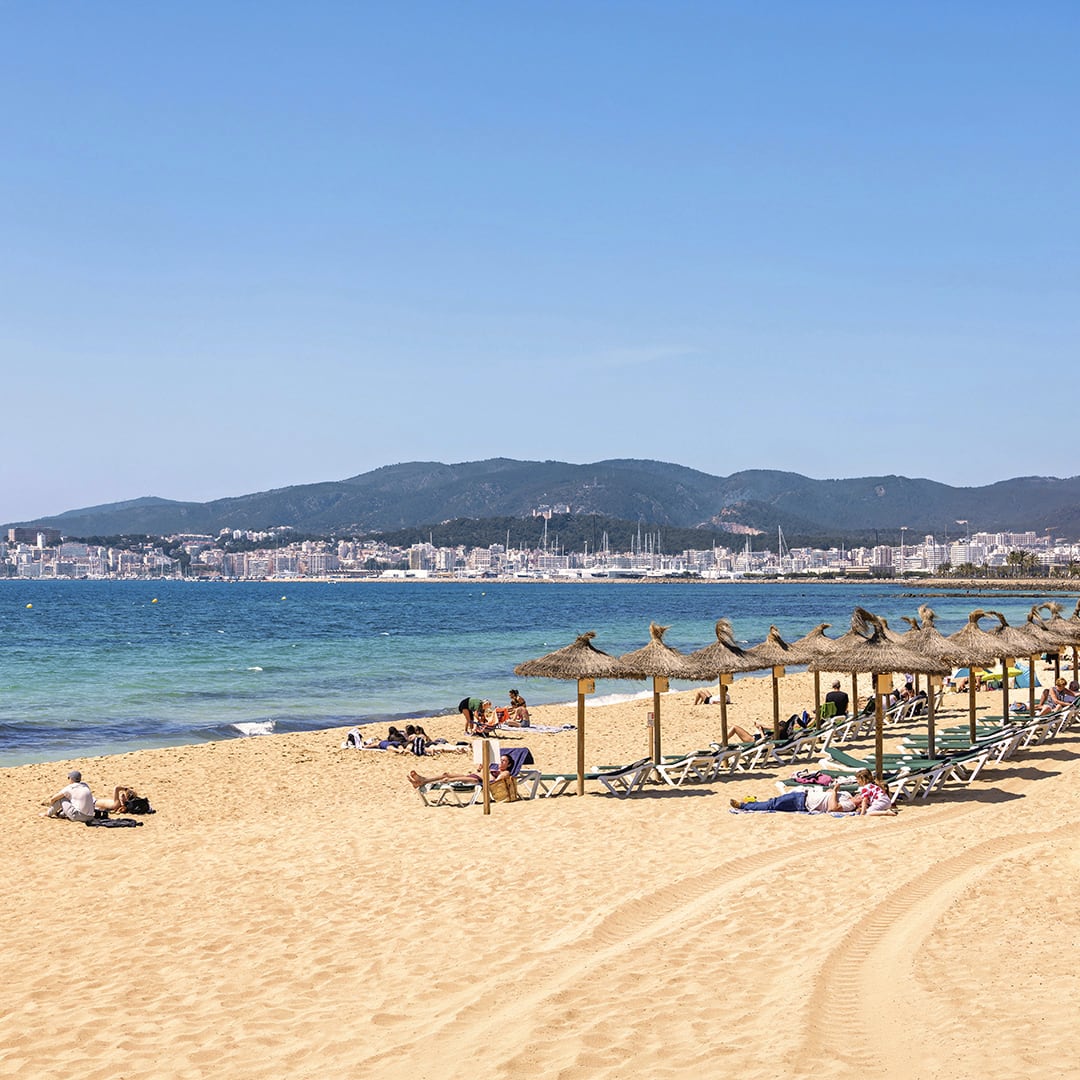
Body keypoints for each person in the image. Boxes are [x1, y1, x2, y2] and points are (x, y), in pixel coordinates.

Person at [730, 780, 856, 814]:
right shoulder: (847, 795)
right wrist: (832, 790)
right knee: (773, 802)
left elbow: (833, 808)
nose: (860, 796)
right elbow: (829, 792)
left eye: (863, 797)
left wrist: (834, 792)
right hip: (804, 794)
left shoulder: (850, 805)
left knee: (772, 804)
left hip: (803, 804)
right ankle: (752, 804)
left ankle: (743, 806)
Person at [407, 754, 512, 790]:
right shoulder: (493, 768)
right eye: (500, 759)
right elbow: (479, 771)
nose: (501, 762)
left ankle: (422, 782)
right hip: (472, 776)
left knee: (448, 779)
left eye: (504, 761)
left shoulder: (505, 772)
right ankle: (423, 780)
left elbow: (495, 782)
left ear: (509, 764)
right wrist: (481, 768)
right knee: (446, 774)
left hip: (477, 780)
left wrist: (488, 775)